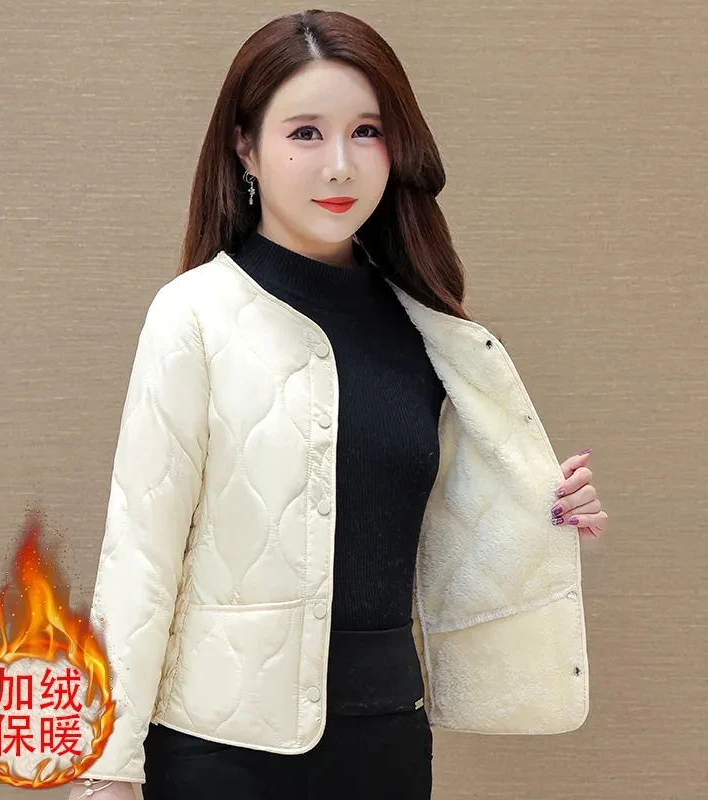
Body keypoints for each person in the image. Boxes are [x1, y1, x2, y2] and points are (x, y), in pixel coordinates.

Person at [67, 9, 607, 800]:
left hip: (389, 743)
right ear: (245, 148)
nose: (341, 166)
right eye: (306, 134)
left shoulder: (431, 332)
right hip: (223, 758)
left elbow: (433, 531)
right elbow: (138, 561)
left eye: (366, 131)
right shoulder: (194, 316)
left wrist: (544, 511)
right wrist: (105, 773)